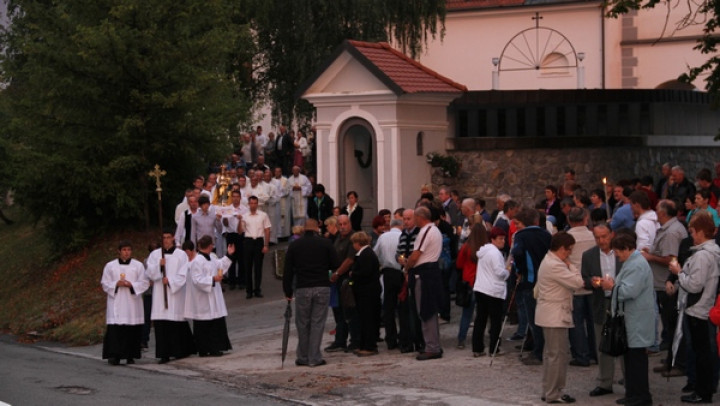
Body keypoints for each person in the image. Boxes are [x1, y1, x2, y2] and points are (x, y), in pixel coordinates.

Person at [669, 211, 720, 404]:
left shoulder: (702, 256)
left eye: (692, 231)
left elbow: (694, 285)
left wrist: (679, 272)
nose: (691, 235)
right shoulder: (712, 252)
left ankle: (702, 392)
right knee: (704, 353)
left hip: (698, 309)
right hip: (704, 307)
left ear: (699, 232)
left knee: (702, 354)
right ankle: (703, 389)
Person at [600, 231, 654, 406]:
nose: (616, 255)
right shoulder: (633, 262)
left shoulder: (636, 264)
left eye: (617, 251)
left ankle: (641, 396)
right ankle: (633, 394)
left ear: (626, 249)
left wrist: (611, 286)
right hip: (632, 319)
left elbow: (629, 291)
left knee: (636, 360)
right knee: (630, 359)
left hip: (636, 319)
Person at [283, 219, 341, 367]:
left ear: (303, 230)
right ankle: (314, 357)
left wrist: (287, 291)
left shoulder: (295, 245)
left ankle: (302, 356)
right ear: (317, 229)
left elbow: (288, 270)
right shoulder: (325, 243)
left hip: (302, 287)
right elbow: (335, 264)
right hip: (321, 285)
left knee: (302, 323)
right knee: (317, 323)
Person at [535, 232, 584, 404]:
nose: (569, 254)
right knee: (557, 356)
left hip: (550, 314)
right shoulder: (555, 264)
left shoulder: (550, 260)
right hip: (555, 315)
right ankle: (553, 393)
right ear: (562, 249)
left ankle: (548, 390)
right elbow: (578, 283)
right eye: (569, 250)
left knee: (551, 355)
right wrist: (571, 266)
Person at [581, 223, 622, 397]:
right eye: (597, 237)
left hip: (620, 301)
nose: (601, 240)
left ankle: (629, 379)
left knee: (623, 341)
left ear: (611, 234)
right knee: (603, 342)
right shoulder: (589, 255)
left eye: (604, 236)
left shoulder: (622, 253)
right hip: (600, 302)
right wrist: (593, 281)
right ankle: (605, 382)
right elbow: (585, 277)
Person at [145, 230, 195, 364]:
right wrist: (159, 267)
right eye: (164, 238)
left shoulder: (181, 255)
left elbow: (184, 273)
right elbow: (149, 272)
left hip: (175, 294)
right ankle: (163, 354)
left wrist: (171, 281)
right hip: (160, 295)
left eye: (168, 237)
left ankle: (179, 351)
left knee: (175, 322)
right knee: (161, 324)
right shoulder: (155, 255)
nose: (166, 240)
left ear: (173, 238)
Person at [403, 206, 444, 361]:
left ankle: (432, 347)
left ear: (420, 217)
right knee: (429, 310)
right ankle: (433, 344)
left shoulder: (426, 231)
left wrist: (407, 267)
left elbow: (416, 255)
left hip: (425, 274)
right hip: (430, 273)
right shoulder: (434, 230)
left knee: (426, 311)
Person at [512, 207, 552, 365]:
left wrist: (518, 270)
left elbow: (518, 253)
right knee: (544, 316)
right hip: (546, 279)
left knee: (533, 318)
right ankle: (545, 349)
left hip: (529, 280)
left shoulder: (521, 236)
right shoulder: (546, 235)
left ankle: (538, 351)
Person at [101, 241, 150, 365]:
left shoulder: (138, 266)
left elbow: (144, 282)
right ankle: (114, 356)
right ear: (119, 251)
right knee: (116, 330)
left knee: (131, 330)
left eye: (129, 250)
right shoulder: (110, 266)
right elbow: (105, 283)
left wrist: (131, 285)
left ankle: (130, 355)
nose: (126, 252)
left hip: (132, 303)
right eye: (124, 250)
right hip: (116, 302)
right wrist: (115, 284)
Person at [185, 235, 235, 357]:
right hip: (203, 298)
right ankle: (204, 349)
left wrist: (228, 254)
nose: (213, 246)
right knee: (204, 323)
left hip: (213, 296)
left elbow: (220, 265)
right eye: (212, 244)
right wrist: (213, 279)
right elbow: (197, 280)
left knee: (215, 321)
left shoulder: (211, 258)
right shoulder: (197, 261)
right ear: (209, 246)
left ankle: (216, 347)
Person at [472, 226, 509, 357]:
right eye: (500, 238)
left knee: (480, 319)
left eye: (504, 238)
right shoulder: (495, 253)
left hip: (481, 288)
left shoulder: (484, 251)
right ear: (493, 239)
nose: (503, 241)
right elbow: (499, 272)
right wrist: (508, 271)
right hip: (493, 290)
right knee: (495, 321)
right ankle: (494, 348)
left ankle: (477, 347)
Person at [325, 215, 358, 352]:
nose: (343, 226)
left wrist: (337, 273)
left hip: (346, 279)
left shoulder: (353, 238)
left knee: (349, 312)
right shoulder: (338, 238)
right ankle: (340, 340)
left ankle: (354, 341)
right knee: (338, 311)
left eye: (345, 223)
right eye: (340, 224)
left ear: (349, 224)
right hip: (336, 280)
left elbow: (350, 260)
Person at [455, 222, 488, 349]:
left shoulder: (466, 247)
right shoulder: (487, 247)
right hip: (483, 281)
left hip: (469, 281)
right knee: (482, 313)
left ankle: (461, 339)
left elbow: (458, 264)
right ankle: (480, 338)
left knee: (466, 313)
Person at [349, 231, 382, 356]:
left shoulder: (366, 255)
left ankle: (369, 345)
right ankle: (364, 344)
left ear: (358, 243)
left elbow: (365, 272)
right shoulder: (365, 254)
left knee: (368, 318)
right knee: (364, 318)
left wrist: (353, 274)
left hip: (367, 292)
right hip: (365, 291)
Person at [374, 218, 403, 350]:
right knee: (403, 306)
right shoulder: (403, 236)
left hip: (388, 273)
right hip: (401, 272)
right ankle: (404, 336)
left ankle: (391, 339)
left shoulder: (383, 237)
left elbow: (376, 254)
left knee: (389, 307)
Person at [240, 196, 271, 299]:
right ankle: (249, 290)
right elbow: (240, 231)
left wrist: (266, 244)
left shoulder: (263, 215)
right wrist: (240, 221)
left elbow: (267, 230)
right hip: (248, 241)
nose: (253, 205)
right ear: (248, 204)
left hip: (258, 241)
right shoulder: (245, 216)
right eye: (251, 203)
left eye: (255, 203)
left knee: (258, 267)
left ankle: (257, 289)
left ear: (257, 204)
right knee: (247, 267)